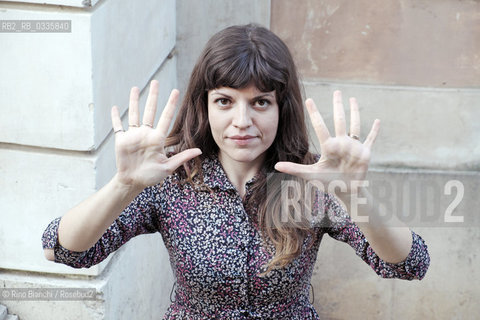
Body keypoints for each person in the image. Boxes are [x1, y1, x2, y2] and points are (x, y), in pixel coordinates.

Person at [42, 24, 430, 319]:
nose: (241, 120)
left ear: (282, 108)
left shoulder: (313, 180)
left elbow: (410, 264)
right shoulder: (169, 177)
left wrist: (353, 196)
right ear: (205, 105)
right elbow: (63, 249)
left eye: (260, 102)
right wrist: (123, 185)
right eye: (225, 101)